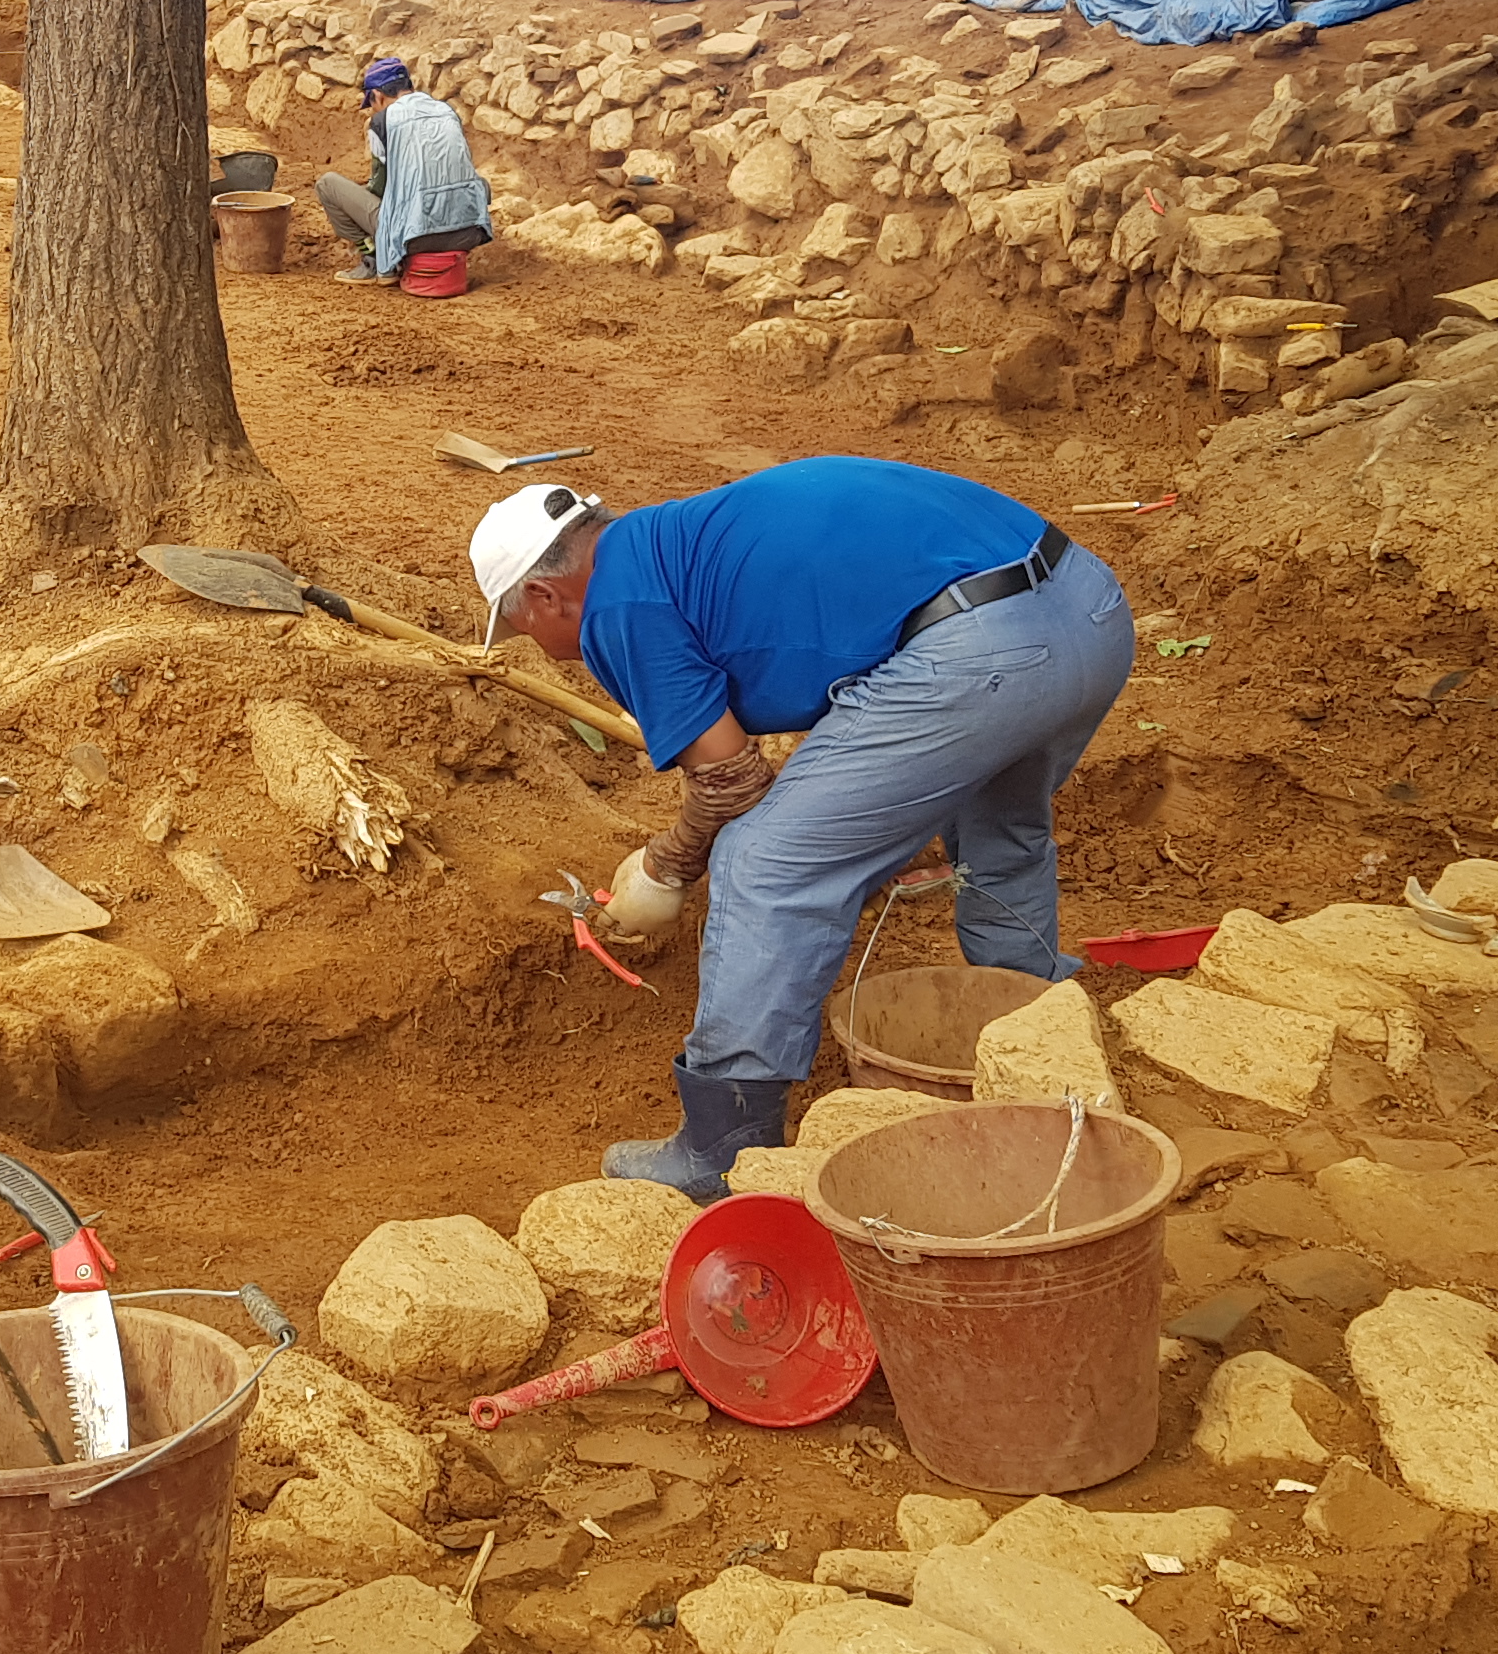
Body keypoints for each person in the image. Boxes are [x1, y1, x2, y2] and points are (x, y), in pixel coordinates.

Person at [468, 460, 1133, 1198]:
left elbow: (733, 783)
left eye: (521, 627)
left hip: (982, 658)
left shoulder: (618, 604)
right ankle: (1039, 1038)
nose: (532, 642)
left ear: (541, 593)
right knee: (998, 828)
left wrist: (666, 866)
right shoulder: (677, 538)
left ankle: (722, 1148)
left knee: (766, 864)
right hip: (1088, 609)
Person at [318, 58, 493, 296]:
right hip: (469, 232)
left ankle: (374, 261)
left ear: (378, 96)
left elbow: (381, 188)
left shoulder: (382, 122)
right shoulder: (446, 111)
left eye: (371, 103)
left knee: (328, 184)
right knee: (477, 183)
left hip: (416, 237)